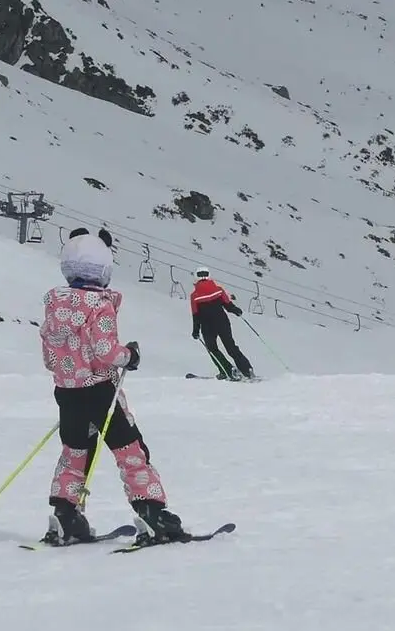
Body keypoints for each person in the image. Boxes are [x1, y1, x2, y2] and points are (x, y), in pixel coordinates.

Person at [38, 228, 186, 545]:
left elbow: (49, 355)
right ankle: (152, 513)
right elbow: (106, 350)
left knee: (75, 451)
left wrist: (69, 372)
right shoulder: (99, 305)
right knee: (130, 449)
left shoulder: (55, 305)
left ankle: (66, 515)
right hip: (100, 392)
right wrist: (128, 356)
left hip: (67, 393)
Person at [189, 267, 255, 380]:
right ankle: (247, 370)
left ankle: (227, 370)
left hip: (207, 326)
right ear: (209, 276)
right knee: (231, 347)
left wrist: (196, 330)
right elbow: (228, 305)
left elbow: (196, 315)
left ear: (196, 277)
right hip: (222, 322)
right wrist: (236, 310)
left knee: (212, 349)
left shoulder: (194, 296)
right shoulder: (218, 290)